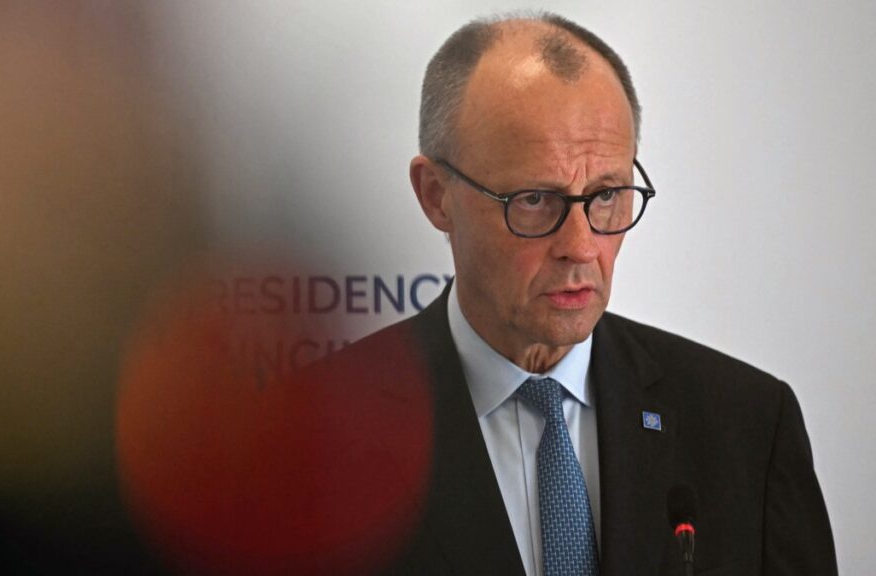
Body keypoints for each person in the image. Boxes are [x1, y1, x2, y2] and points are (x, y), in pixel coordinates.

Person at [307, 11, 837, 576]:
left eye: (608, 195)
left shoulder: (748, 426)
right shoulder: (310, 438)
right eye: (535, 199)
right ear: (437, 196)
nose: (582, 247)